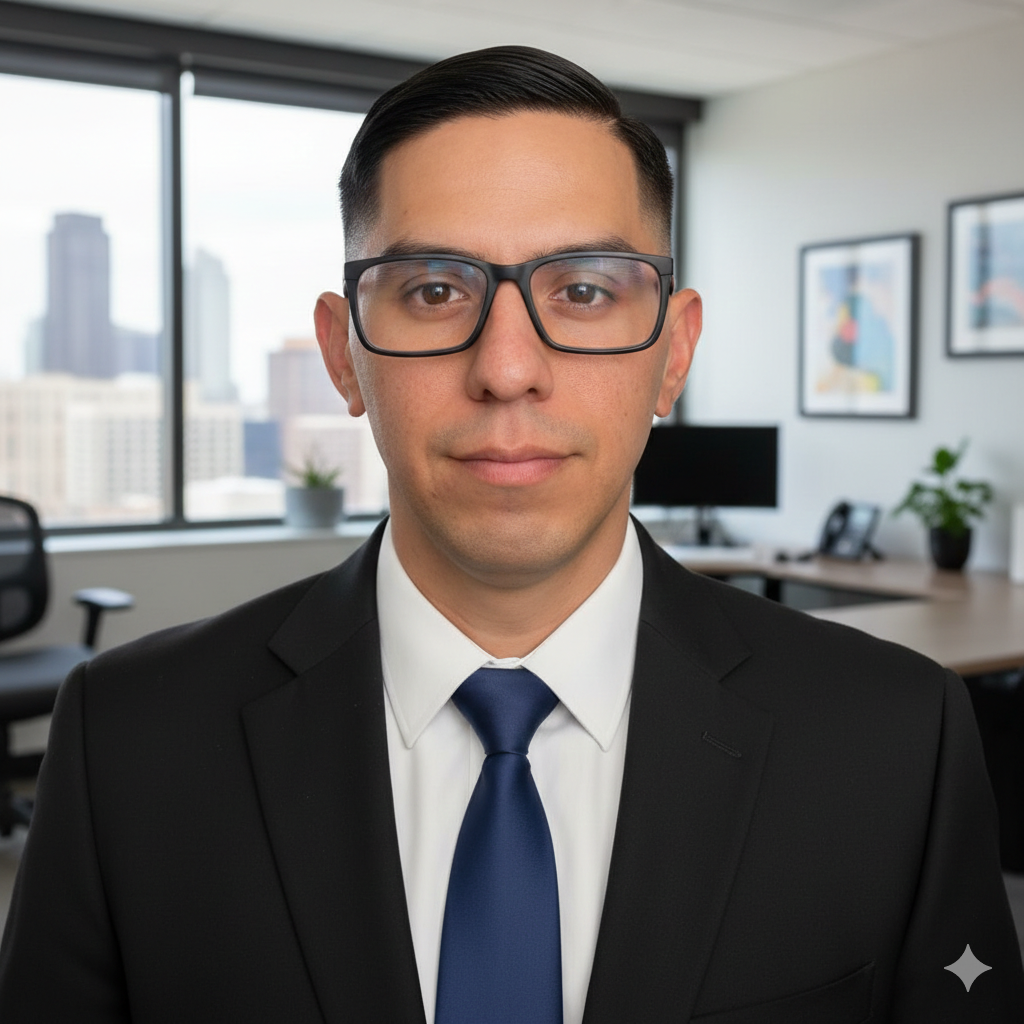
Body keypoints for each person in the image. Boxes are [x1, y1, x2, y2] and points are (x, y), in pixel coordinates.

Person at [0, 45, 1021, 1024]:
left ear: (673, 354)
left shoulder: (893, 739)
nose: (507, 369)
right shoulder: (130, 741)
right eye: (435, 290)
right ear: (343, 355)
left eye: (581, 291)